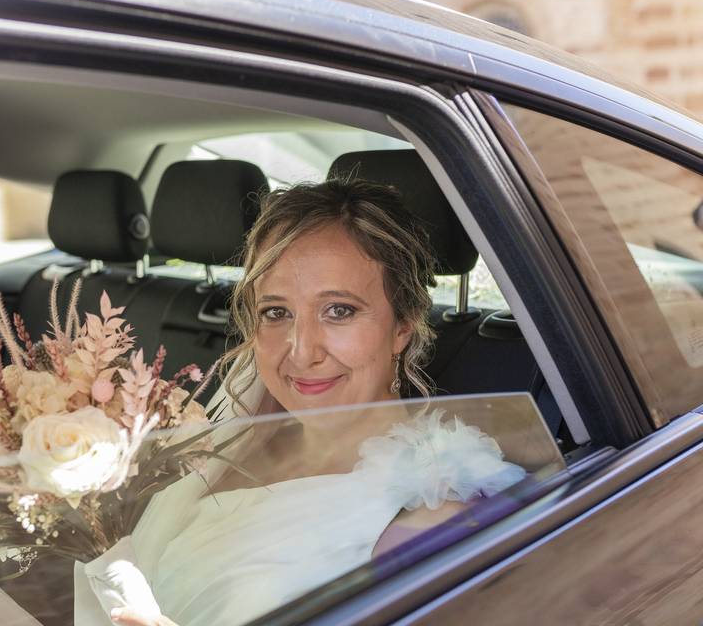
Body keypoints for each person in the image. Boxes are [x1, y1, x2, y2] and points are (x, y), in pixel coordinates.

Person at [86, 178, 526, 626]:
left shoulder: (432, 511)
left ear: (403, 326)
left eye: (339, 310)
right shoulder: (230, 442)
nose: (301, 351)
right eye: (276, 313)